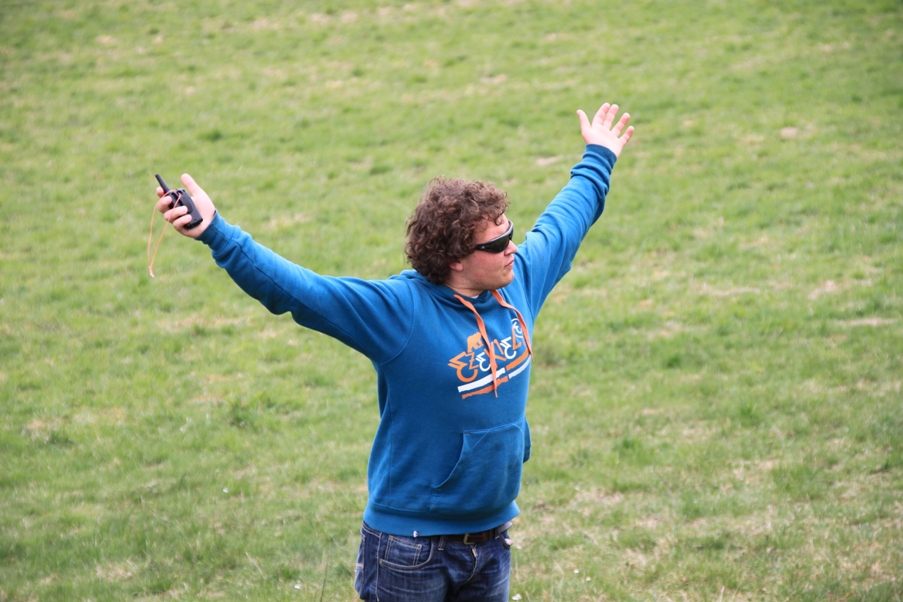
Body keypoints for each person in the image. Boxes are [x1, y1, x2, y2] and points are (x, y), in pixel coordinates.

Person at [155, 102, 634, 602]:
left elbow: (567, 219)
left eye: (511, 233)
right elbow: (301, 291)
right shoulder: (400, 311)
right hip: (410, 549)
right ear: (455, 260)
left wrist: (599, 155)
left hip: (492, 539)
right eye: (498, 243)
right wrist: (216, 233)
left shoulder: (519, 282)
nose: (513, 247)